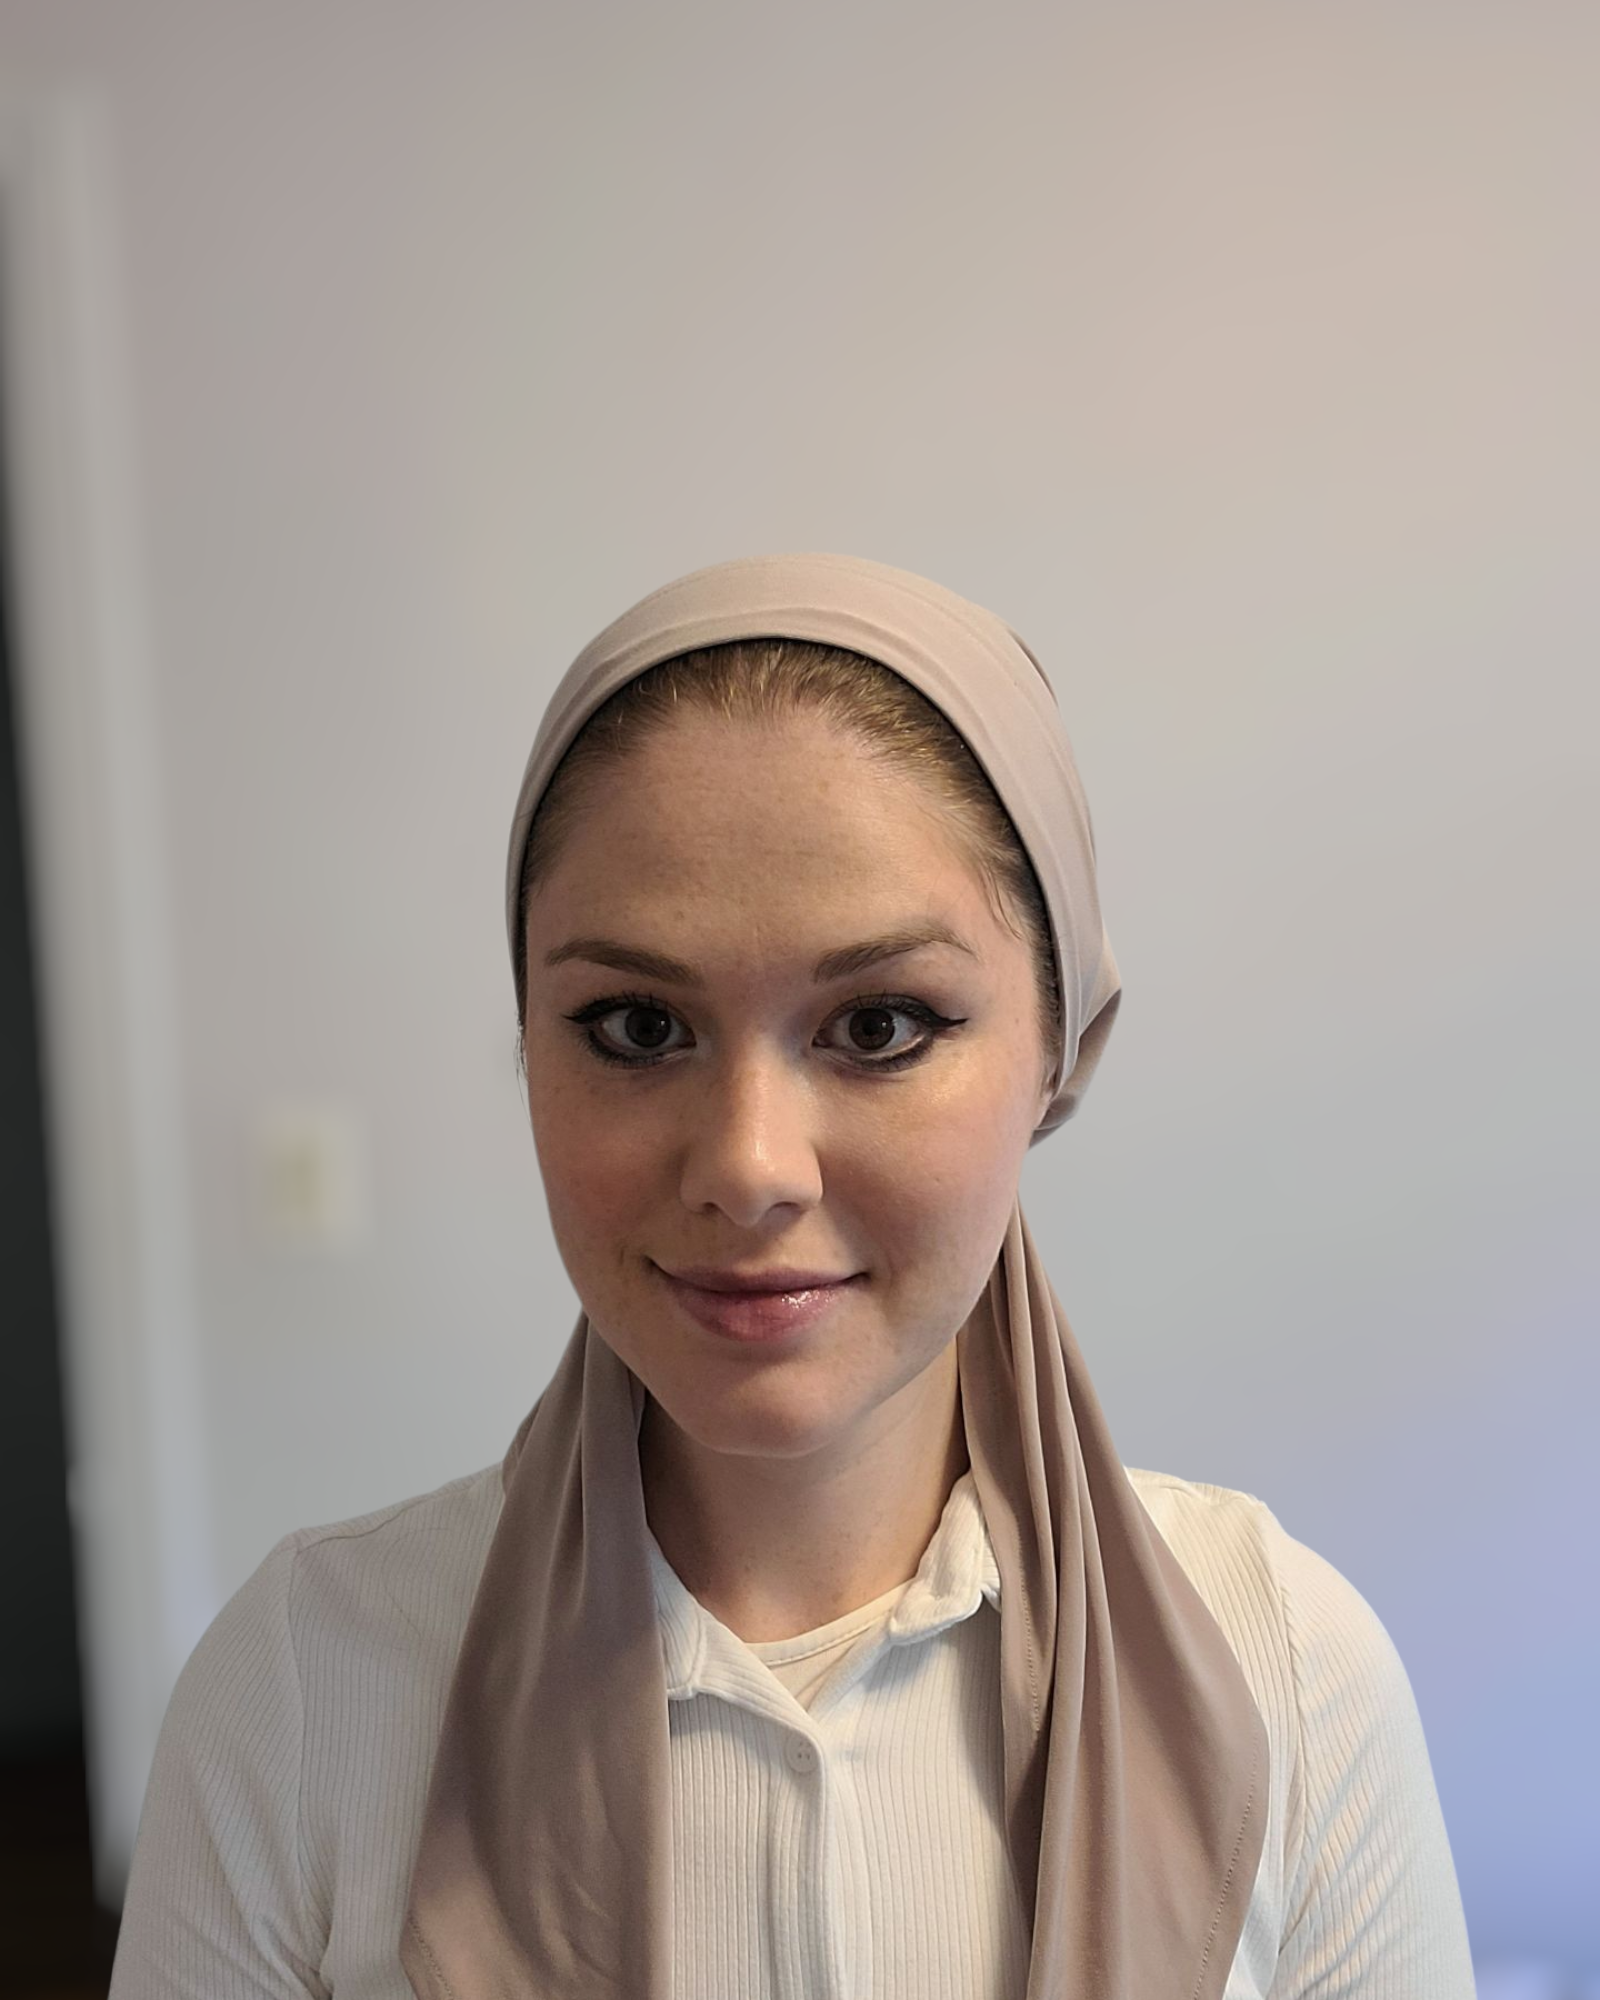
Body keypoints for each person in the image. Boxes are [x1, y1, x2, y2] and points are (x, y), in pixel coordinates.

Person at [108, 553, 1476, 1999]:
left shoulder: (1289, 1672)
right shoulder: (306, 1692)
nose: (749, 1166)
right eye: (637, 1028)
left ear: (1062, 1048)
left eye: (880, 1025)